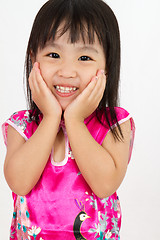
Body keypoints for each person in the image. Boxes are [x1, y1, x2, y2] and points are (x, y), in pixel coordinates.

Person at [2, 0, 135, 239]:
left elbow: (105, 184)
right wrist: (51, 116)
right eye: (54, 54)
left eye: (84, 58)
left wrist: (74, 119)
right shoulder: (22, 125)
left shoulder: (115, 125)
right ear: (34, 60)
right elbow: (19, 182)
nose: (67, 71)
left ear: (108, 66)